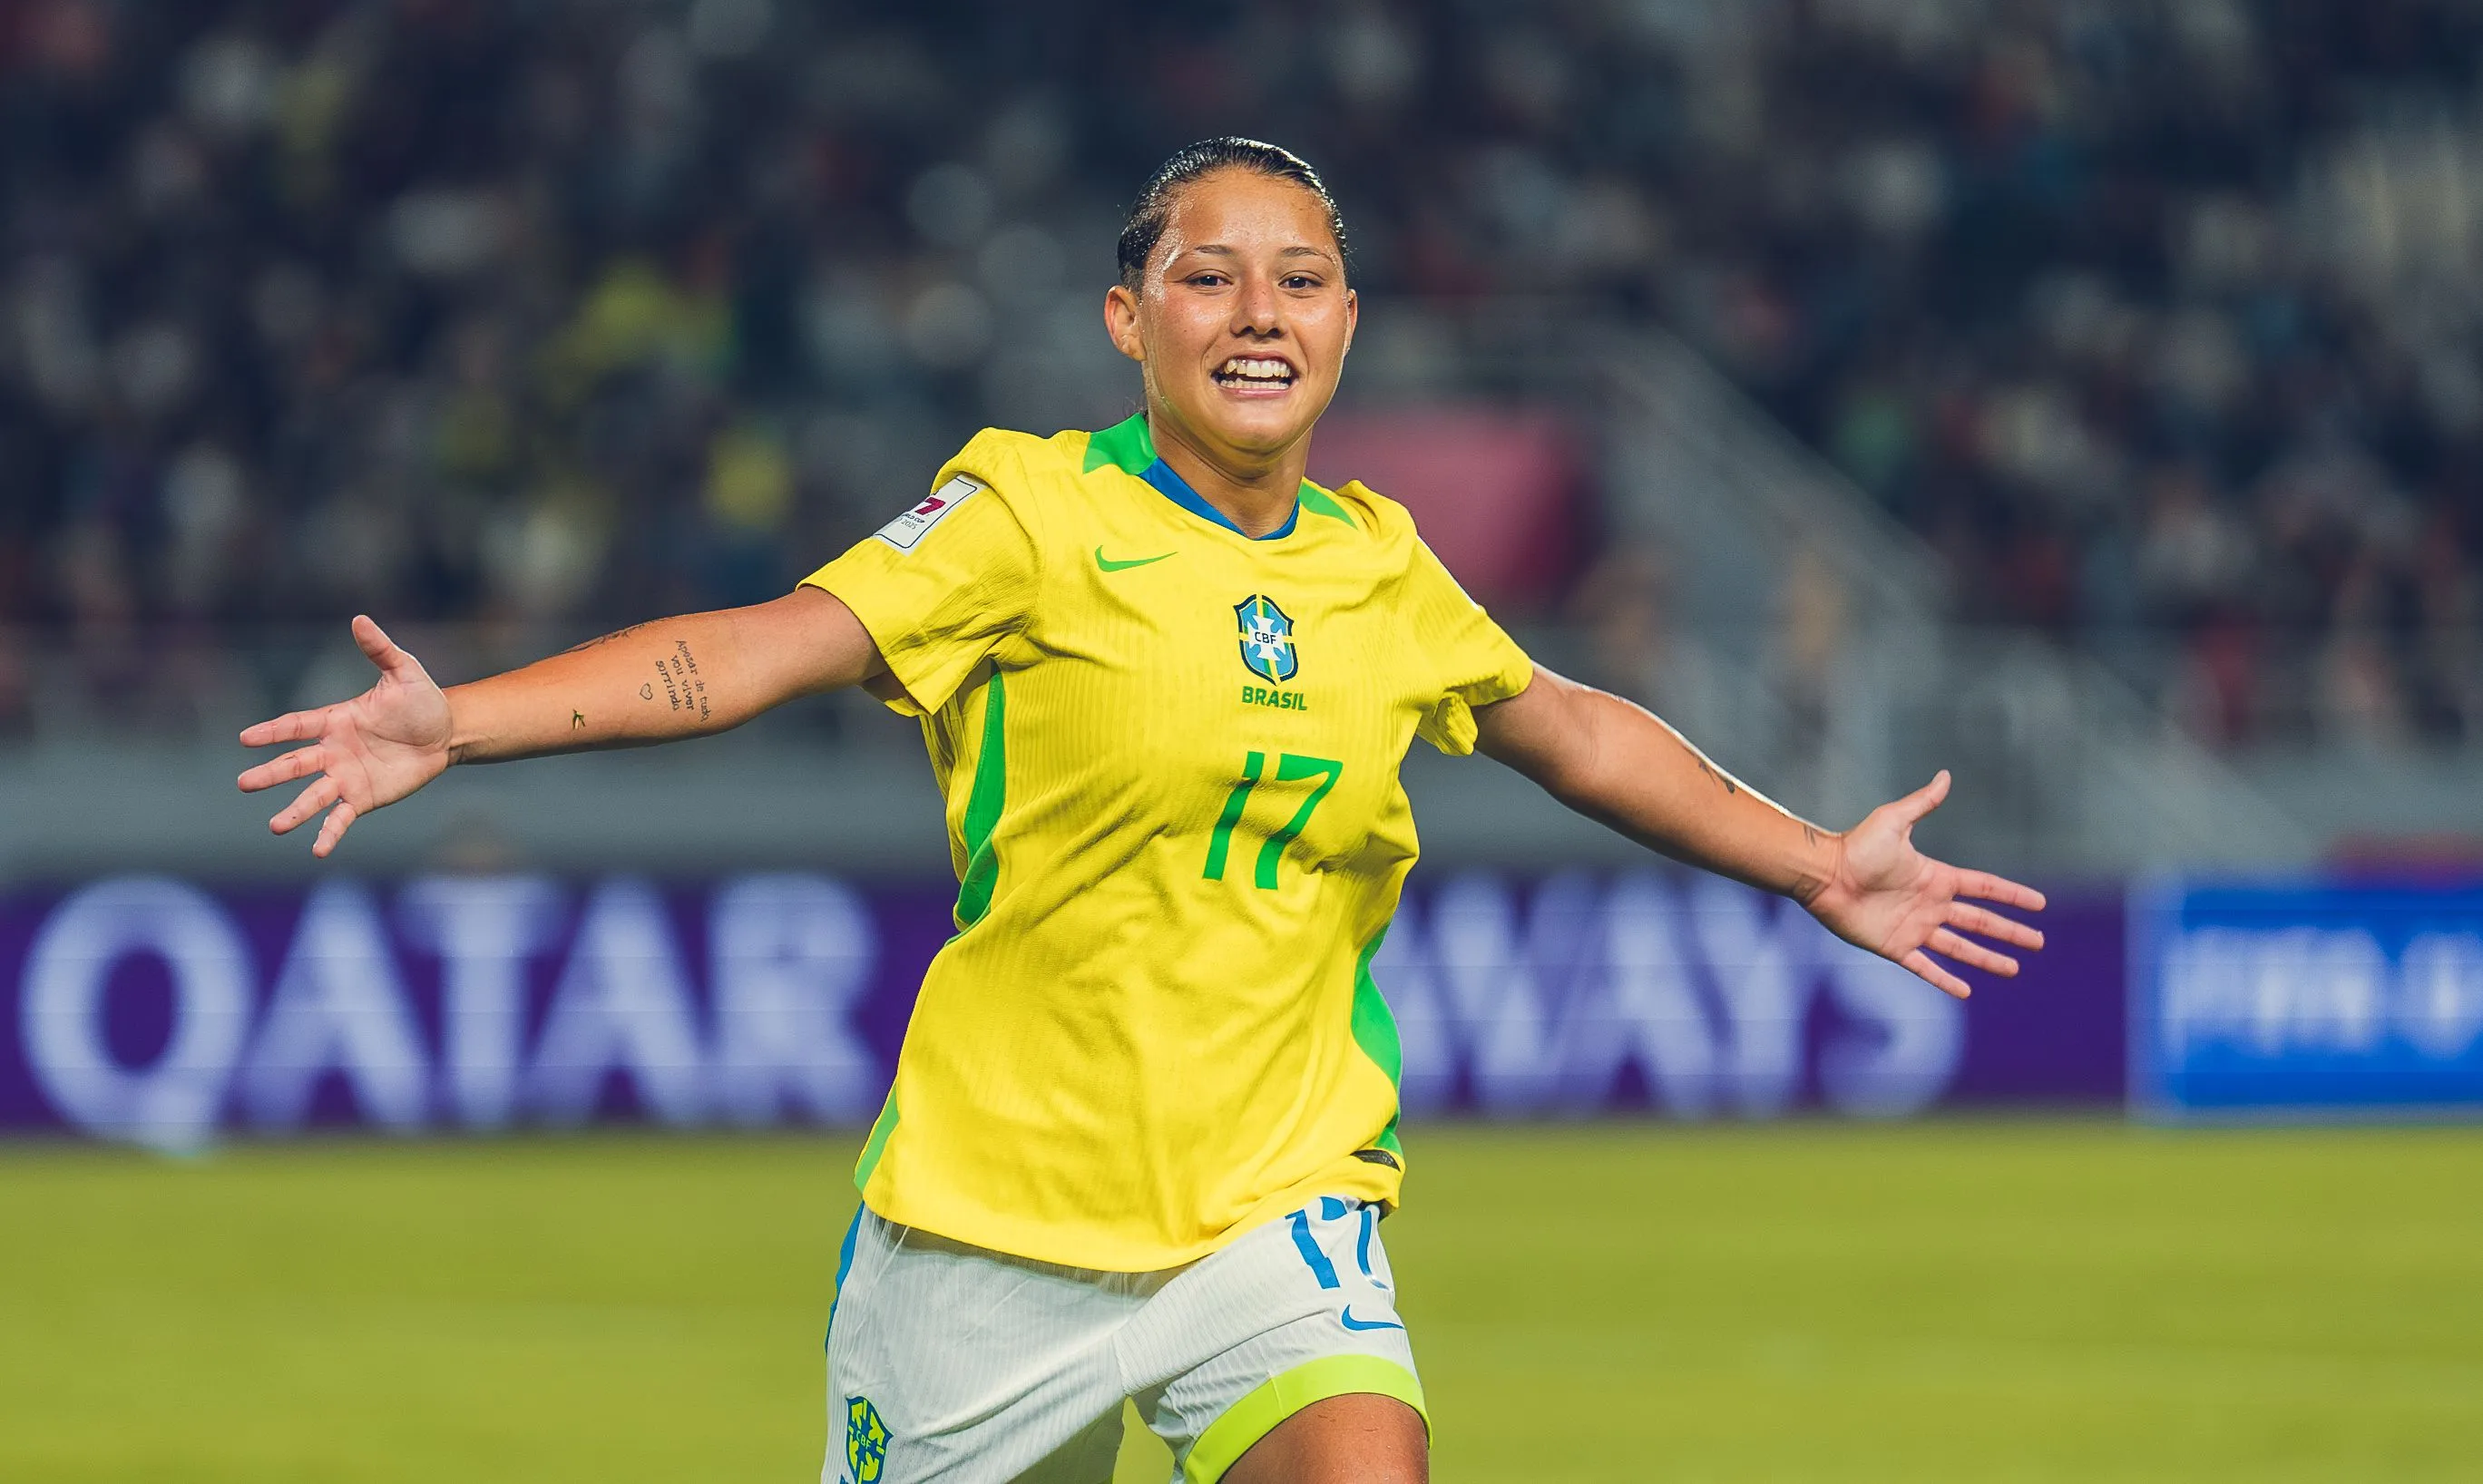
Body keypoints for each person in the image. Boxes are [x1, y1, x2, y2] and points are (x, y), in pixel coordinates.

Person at [239, 138, 2046, 1484]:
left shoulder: (1379, 562)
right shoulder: (1025, 514)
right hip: (990, 1228)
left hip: (1275, 1208)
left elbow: (1570, 729)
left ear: (1348, 322)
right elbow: (763, 648)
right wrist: (455, 723)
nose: (1258, 308)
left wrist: (1817, 856)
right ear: (1129, 317)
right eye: (1209, 272)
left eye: (1302, 275)